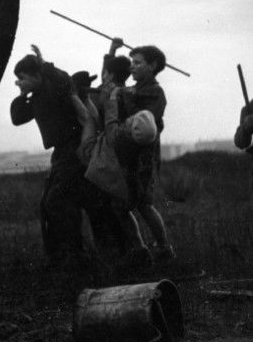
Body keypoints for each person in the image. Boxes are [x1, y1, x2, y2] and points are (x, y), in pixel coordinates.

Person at [10, 46, 122, 260]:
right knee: (61, 202)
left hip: (75, 147)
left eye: (22, 78)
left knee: (57, 201)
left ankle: (74, 255)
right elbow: (17, 118)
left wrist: (43, 63)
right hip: (62, 151)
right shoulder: (36, 97)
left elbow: (62, 77)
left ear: (37, 75)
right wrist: (22, 93)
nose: (19, 82)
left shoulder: (56, 85)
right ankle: (79, 254)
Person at [73, 88, 157, 267]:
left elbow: (110, 120)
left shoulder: (118, 136)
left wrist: (112, 98)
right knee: (124, 214)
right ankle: (140, 247)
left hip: (96, 163)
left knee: (89, 122)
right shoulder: (143, 146)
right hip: (124, 188)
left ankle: (76, 95)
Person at [118, 46, 174, 261]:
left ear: (153, 66)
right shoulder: (132, 90)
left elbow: (145, 123)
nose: (132, 67)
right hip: (128, 156)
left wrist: (129, 99)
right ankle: (140, 249)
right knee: (121, 204)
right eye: (132, 63)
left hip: (145, 158)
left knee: (144, 204)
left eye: (138, 63)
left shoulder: (156, 93)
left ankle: (164, 248)